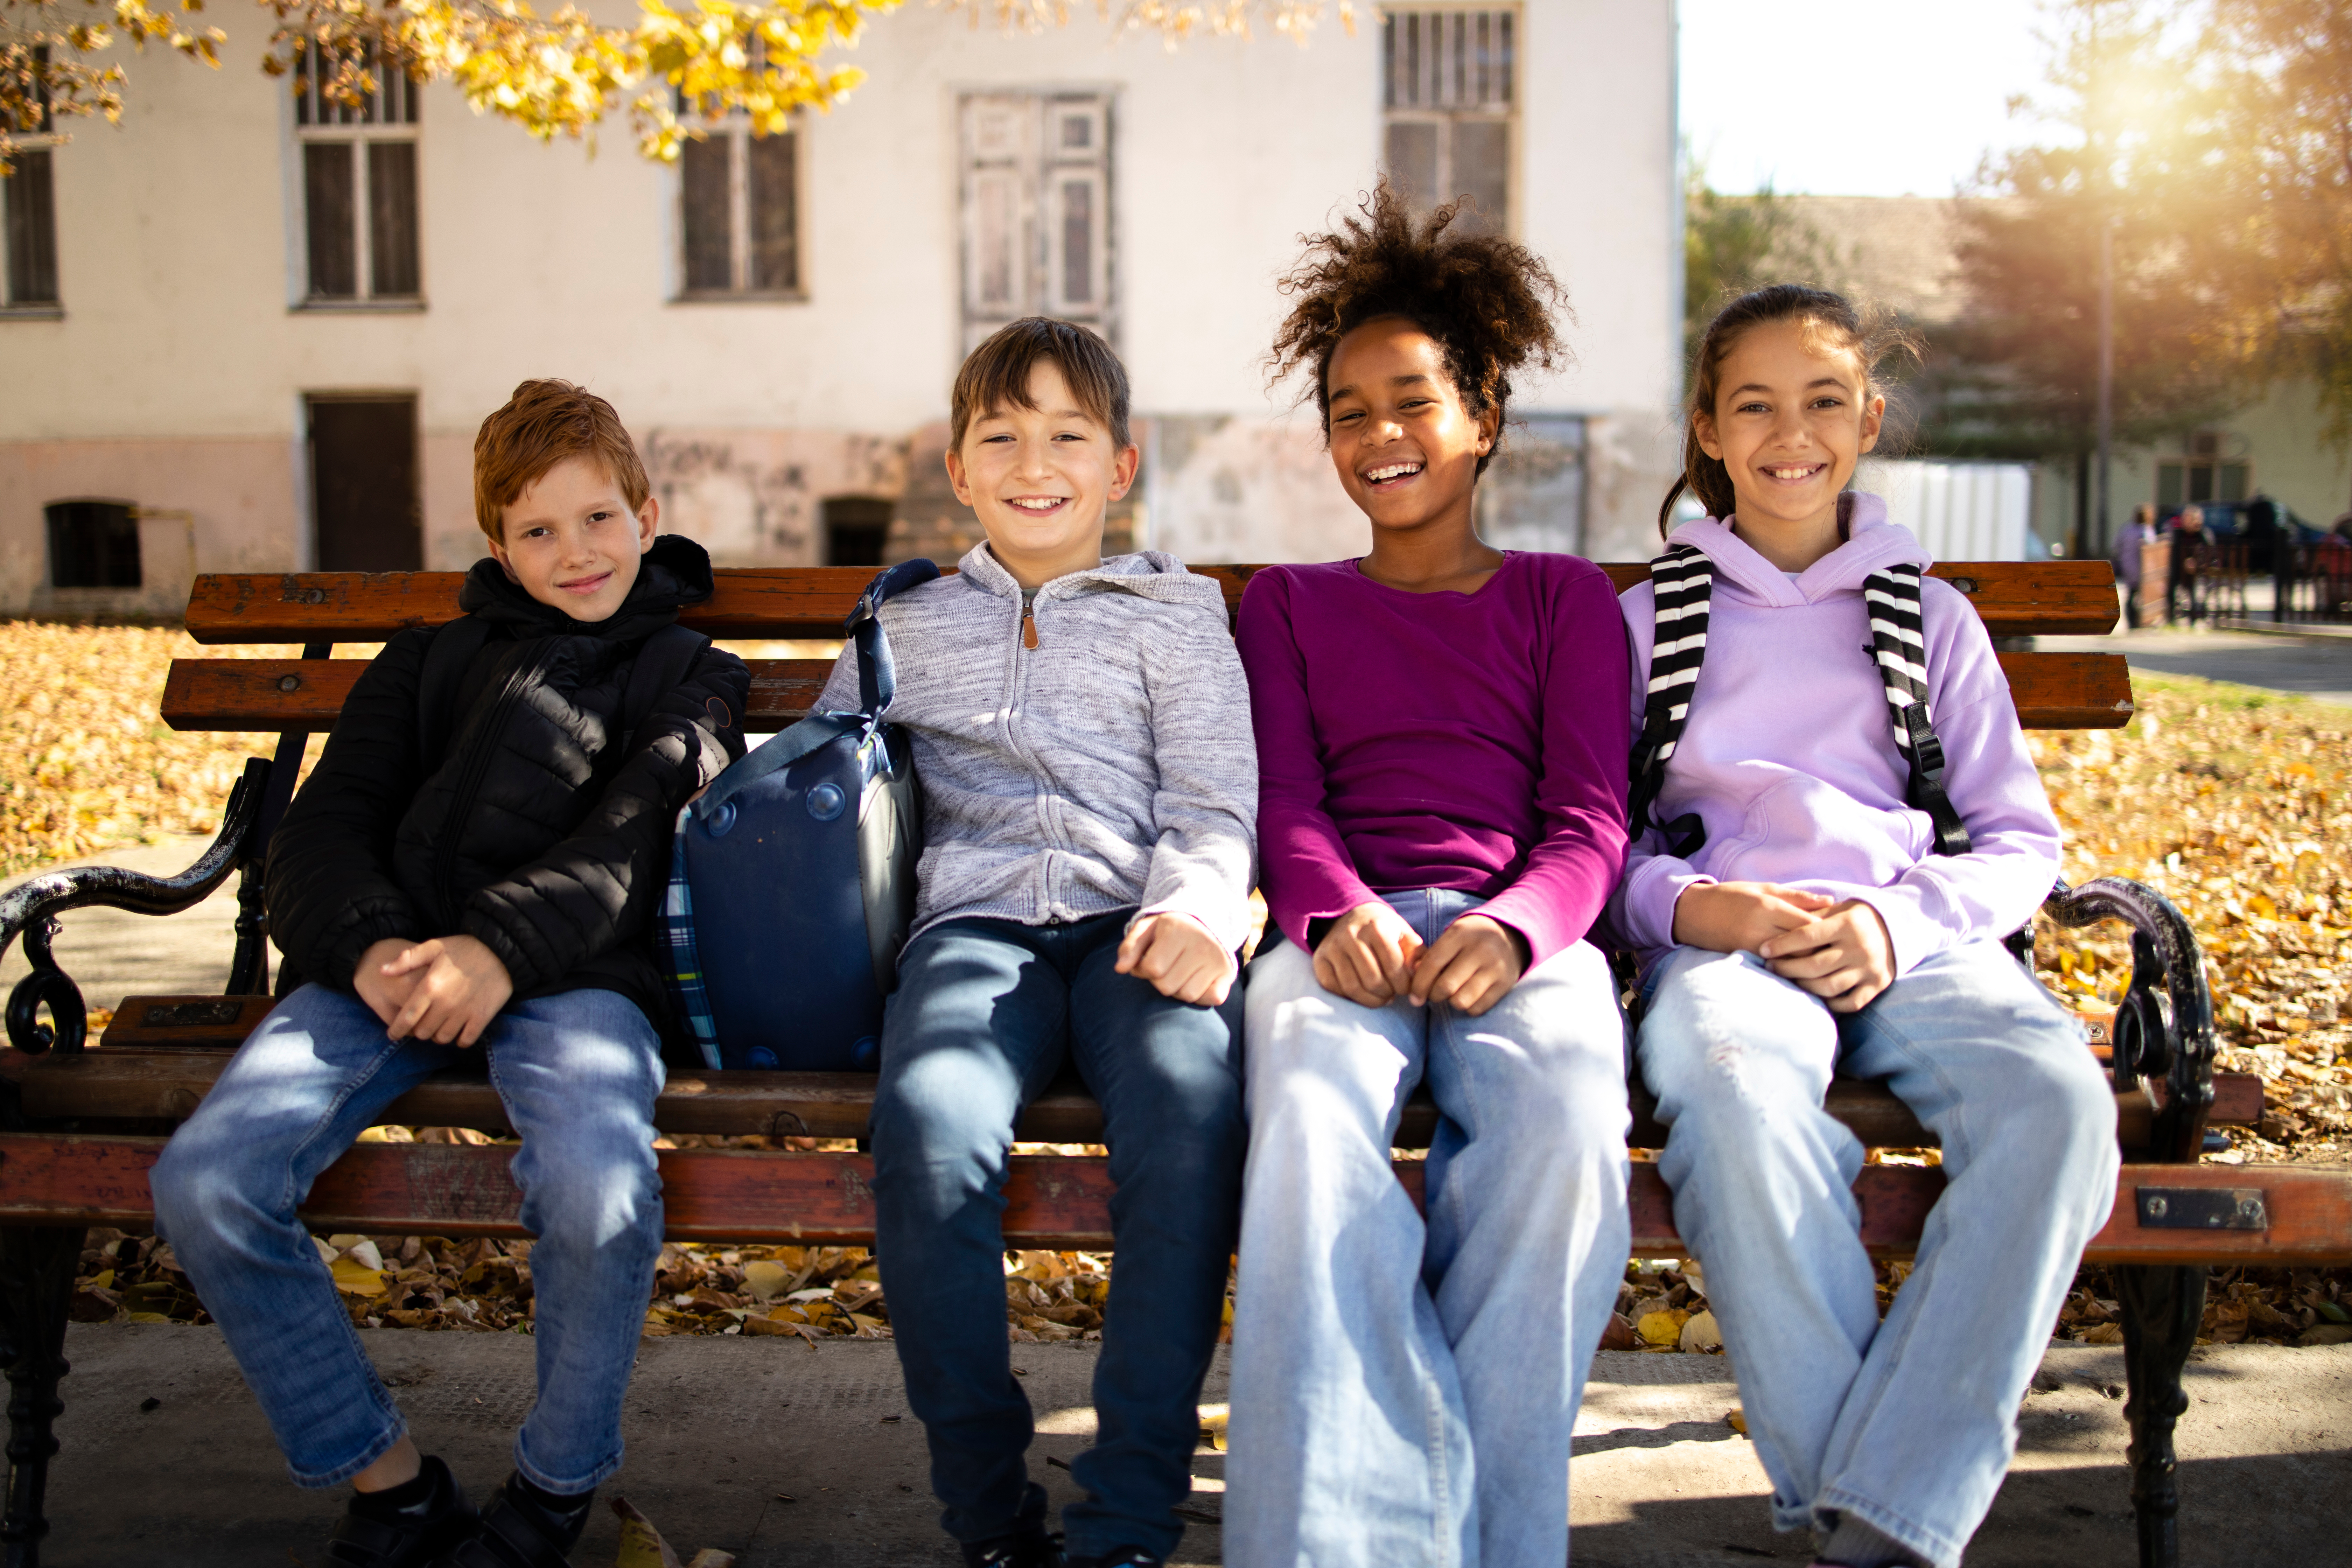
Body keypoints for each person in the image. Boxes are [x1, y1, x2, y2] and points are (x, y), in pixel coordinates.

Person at [150, 380, 751, 1567]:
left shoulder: (694, 674)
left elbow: (632, 840)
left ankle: (553, 1488)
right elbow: (322, 829)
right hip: (393, 969)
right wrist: (375, 946)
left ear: (647, 511)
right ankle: (389, 1485)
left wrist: (499, 951)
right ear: (496, 547)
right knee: (208, 1181)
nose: (574, 553)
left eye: (597, 519)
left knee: (594, 1187)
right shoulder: (426, 659)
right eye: (537, 531)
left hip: (581, 979)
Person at [1611, 284, 2118, 1568]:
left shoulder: (1925, 622)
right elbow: (1591, 846)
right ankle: (1881, 1521)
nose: (1791, 433)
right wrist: (1694, 904)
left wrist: (1898, 923)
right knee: (1729, 1097)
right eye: (1754, 405)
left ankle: (1878, 1502)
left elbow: (2016, 843)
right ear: (1707, 430)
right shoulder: (1646, 623)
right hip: (1728, 949)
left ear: (1868, 420)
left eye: (1823, 400)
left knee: (2053, 1102)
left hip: (1915, 939)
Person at [1225, 184, 1633, 1568]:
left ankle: (1498, 1541)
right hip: (1341, 936)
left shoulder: (1561, 599)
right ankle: (1333, 1544)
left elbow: (1589, 821)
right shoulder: (1287, 602)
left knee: (1569, 1122)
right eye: (1348, 409)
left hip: (1525, 941)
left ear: (1484, 416)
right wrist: (1331, 910)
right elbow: (1286, 798)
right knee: (1308, 1118)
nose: (1379, 435)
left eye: (1410, 400)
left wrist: (1519, 932)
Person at [820, 317, 1255, 1568]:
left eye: (1067, 435)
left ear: (1119, 467)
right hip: (976, 936)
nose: (1032, 463)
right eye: (998, 437)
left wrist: (1198, 905)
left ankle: (1123, 1516)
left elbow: (1215, 798)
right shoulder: (904, 625)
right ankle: (988, 1509)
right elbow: (816, 788)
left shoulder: (1173, 616)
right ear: (957, 470)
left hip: (1142, 928)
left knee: (1184, 1126)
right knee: (929, 1132)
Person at [2110, 502, 2159, 628]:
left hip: (2127, 567)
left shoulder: (2126, 529)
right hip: (2142, 569)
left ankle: (2131, 621)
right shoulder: (2147, 531)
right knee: (2142, 597)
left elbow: (2116, 546)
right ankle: (2140, 621)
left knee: (2131, 595)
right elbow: (2152, 550)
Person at [2167, 503, 2207, 623]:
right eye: (2185, 519)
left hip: (2196, 571)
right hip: (2178, 569)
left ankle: (2194, 615)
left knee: (2193, 589)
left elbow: (2208, 554)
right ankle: (2172, 616)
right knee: (2172, 587)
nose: (2186, 522)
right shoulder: (2178, 534)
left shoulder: (2203, 535)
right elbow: (2173, 553)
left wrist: (2196, 563)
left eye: (2190, 519)